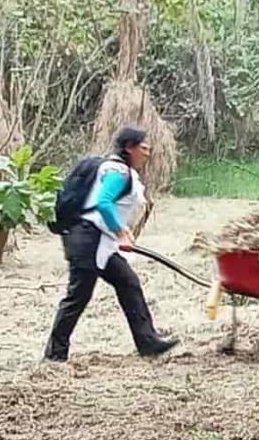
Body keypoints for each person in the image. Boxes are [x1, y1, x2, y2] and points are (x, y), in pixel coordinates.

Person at [44, 125, 178, 361]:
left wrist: (120, 232)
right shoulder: (118, 171)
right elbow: (104, 203)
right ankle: (55, 355)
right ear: (129, 148)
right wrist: (121, 233)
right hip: (89, 241)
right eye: (144, 148)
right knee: (78, 295)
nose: (148, 153)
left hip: (94, 240)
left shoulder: (114, 169)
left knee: (128, 282)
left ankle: (148, 342)